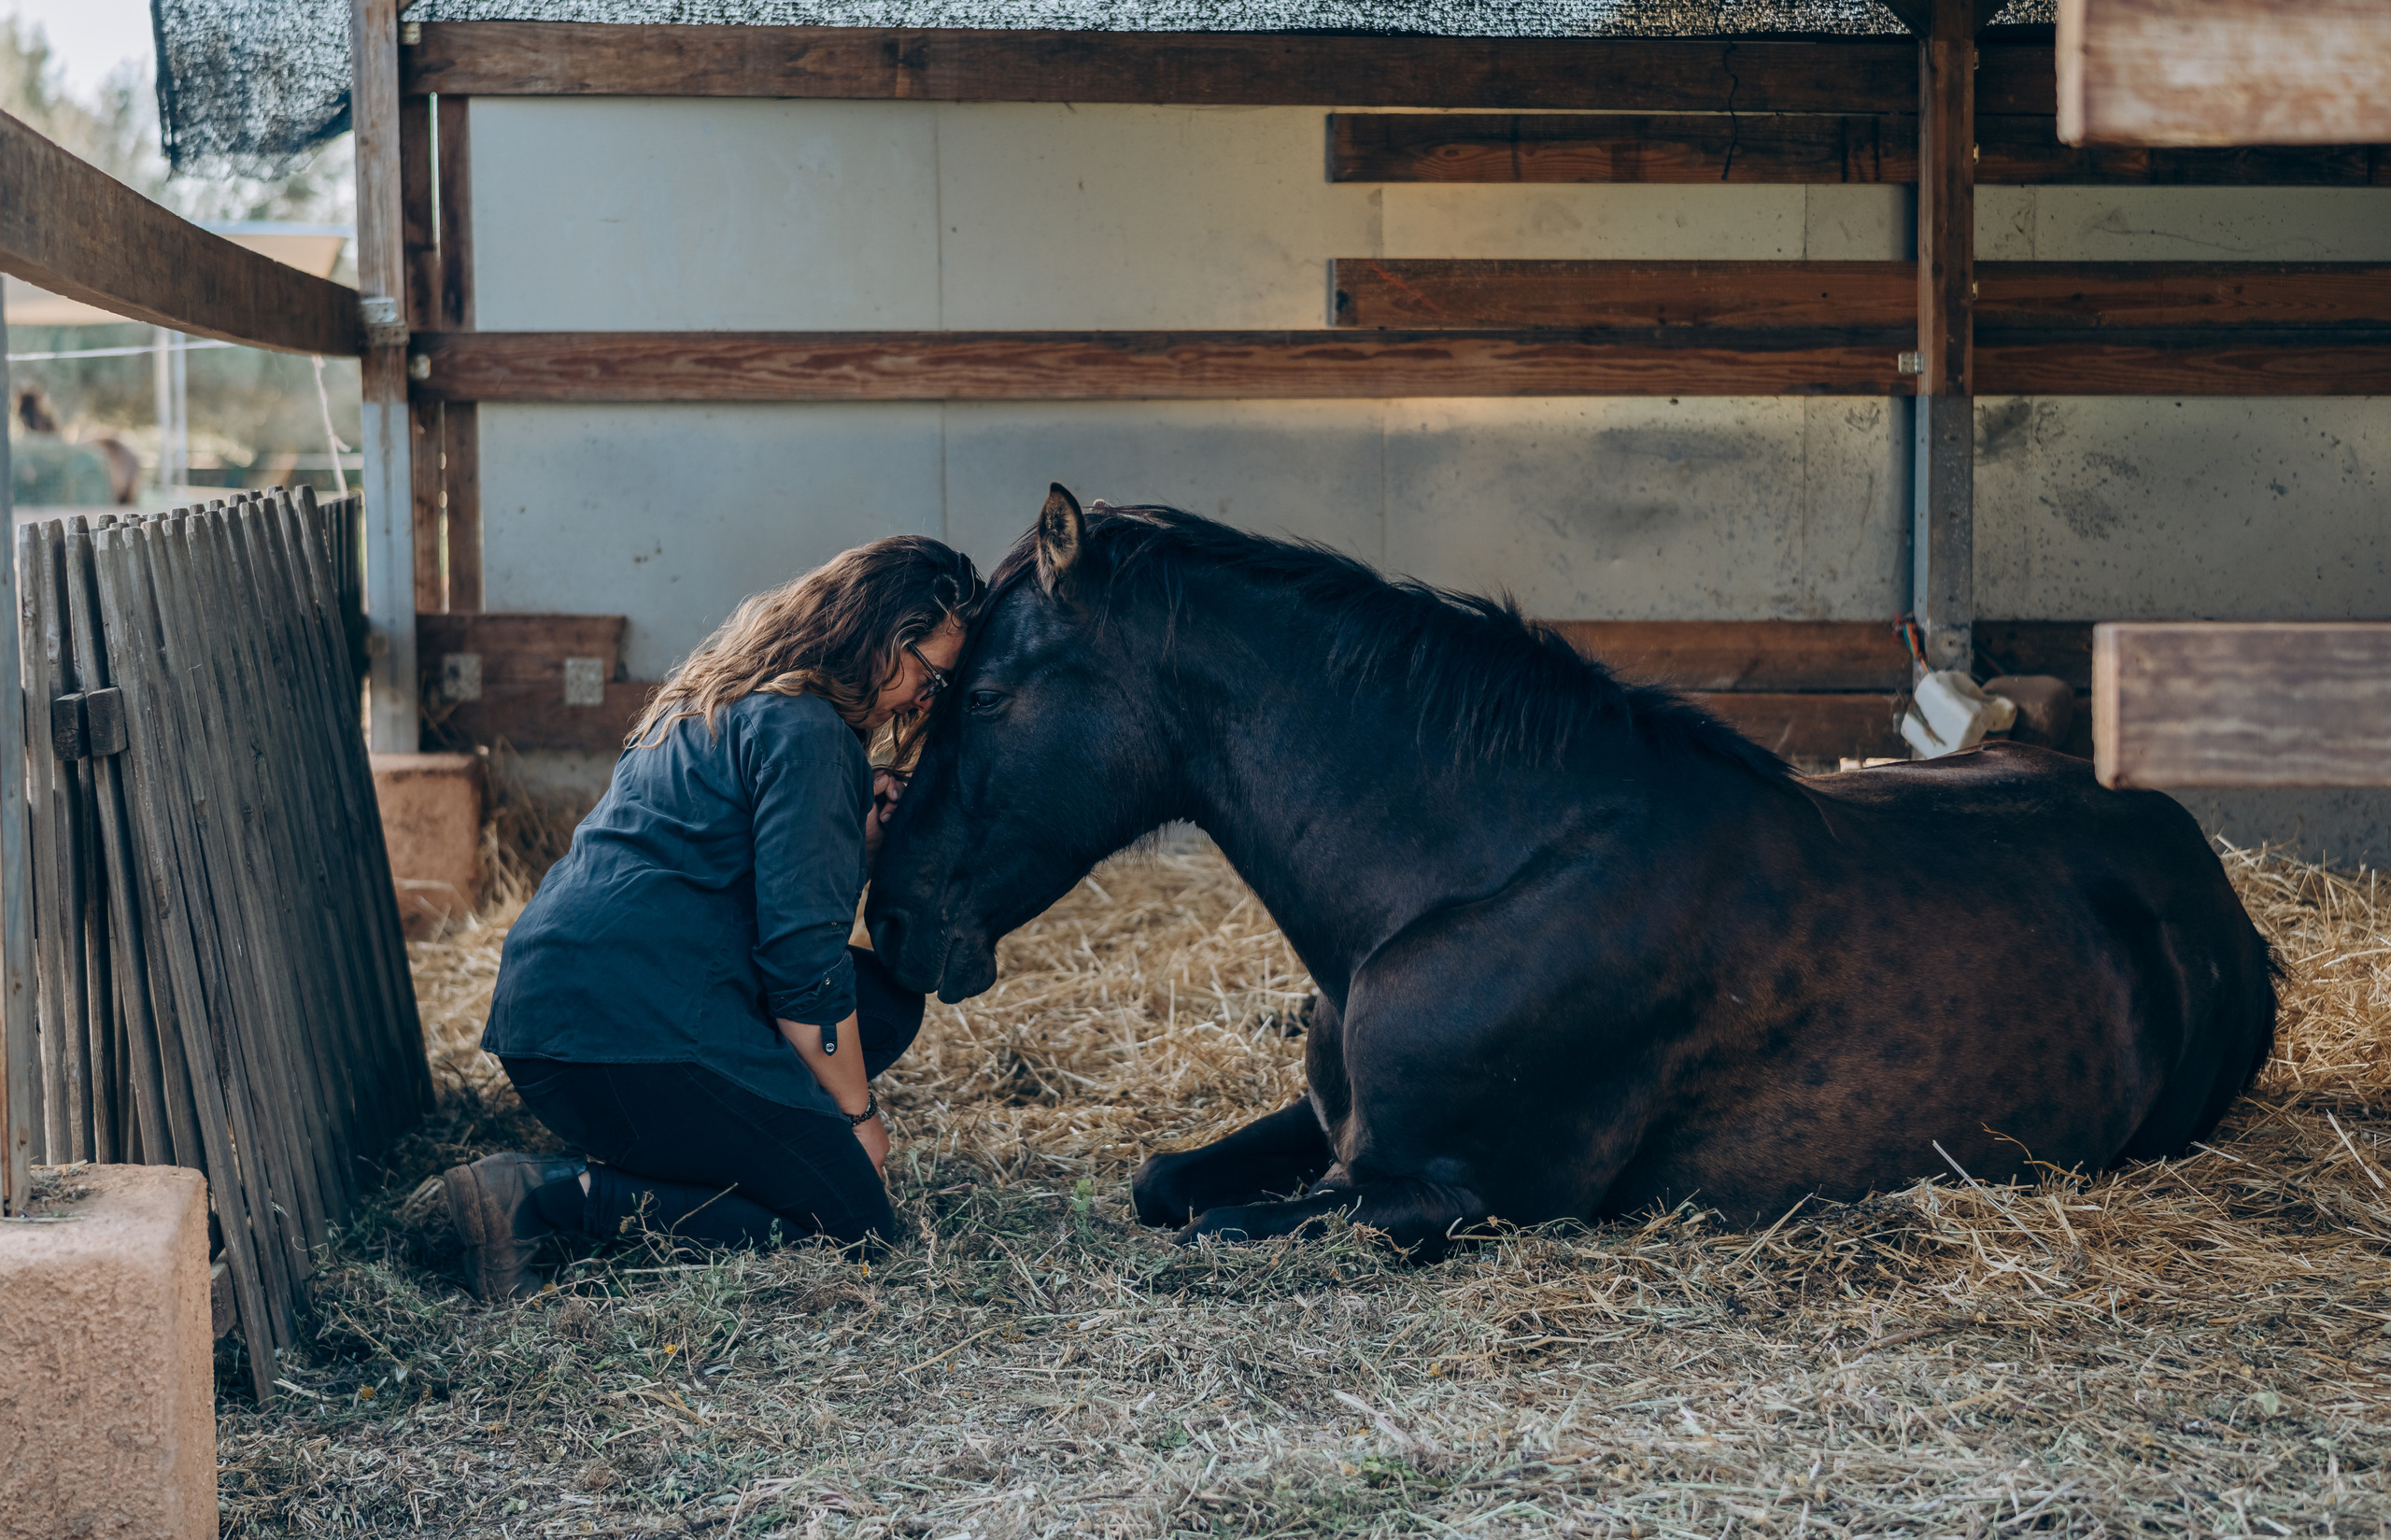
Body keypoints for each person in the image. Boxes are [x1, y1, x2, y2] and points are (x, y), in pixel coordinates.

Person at [442, 537, 983, 1300]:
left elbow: (751, 887)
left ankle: (710, 1148)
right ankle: (544, 1195)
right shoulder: (815, 736)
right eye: (932, 676)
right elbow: (802, 964)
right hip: (630, 1036)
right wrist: (858, 1117)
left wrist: (854, 834)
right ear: (887, 638)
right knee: (853, 1224)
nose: (929, 702)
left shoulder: (720, 696)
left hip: (559, 1017)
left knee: (886, 1001)